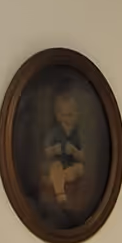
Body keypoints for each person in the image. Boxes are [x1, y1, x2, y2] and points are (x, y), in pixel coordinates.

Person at [40, 87, 86, 216]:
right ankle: (60, 195)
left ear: (77, 114)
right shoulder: (55, 132)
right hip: (57, 164)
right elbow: (46, 152)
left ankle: (55, 180)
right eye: (64, 116)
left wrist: (75, 152)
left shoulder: (77, 134)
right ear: (58, 116)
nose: (67, 119)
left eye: (71, 115)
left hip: (70, 167)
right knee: (56, 167)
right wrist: (55, 149)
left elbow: (83, 156)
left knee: (80, 168)